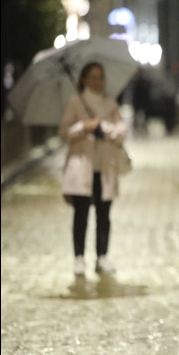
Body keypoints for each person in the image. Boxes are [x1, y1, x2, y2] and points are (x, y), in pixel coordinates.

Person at [58, 62, 129, 276]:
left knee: (104, 214)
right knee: (81, 215)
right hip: (82, 167)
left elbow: (121, 130)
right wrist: (83, 127)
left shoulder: (110, 104)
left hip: (105, 167)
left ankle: (102, 256)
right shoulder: (75, 103)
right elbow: (63, 132)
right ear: (84, 80)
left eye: (101, 77)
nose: (98, 81)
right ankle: (79, 257)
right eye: (94, 77)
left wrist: (104, 128)